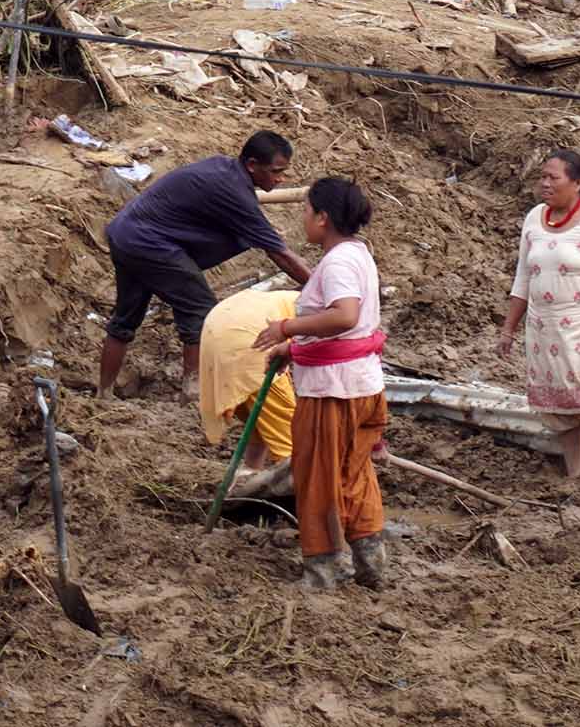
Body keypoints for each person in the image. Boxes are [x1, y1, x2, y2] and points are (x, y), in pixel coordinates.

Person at [98, 130, 314, 399]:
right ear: (252, 165)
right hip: (150, 244)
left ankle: (103, 394)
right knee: (201, 310)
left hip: (125, 233)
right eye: (275, 171)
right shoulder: (235, 193)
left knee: (125, 319)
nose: (280, 179)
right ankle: (192, 392)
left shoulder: (223, 170)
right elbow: (279, 254)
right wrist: (320, 287)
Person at [253, 177, 385, 590]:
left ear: (323, 218)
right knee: (354, 471)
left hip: (332, 390)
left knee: (320, 476)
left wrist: (286, 329)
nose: (303, 218)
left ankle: (325, 568)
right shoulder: (358, 255)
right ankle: (370, 561)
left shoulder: (339, 263)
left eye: (306, 211)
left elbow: (345, 316)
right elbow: (350, 331)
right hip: (360, 384)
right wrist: (295, 351)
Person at [497, 148, 580, 478]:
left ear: (578, 183)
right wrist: (509, 329)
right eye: (542, 176)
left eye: (553, 177)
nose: (545, 183)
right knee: (561, 410)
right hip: (544, 332)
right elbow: (523, 277)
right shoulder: (534, 218)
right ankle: (575, 472)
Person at [200, 288, 299, 498]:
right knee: (291, 432)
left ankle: (248, 475)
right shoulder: (330, 313)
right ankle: (302, 497)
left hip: (218, 330)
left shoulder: (292, 298)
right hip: (249, 338)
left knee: (259, 417)